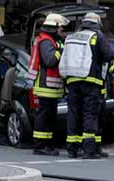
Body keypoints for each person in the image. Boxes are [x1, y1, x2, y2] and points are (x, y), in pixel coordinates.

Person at [60, 12, 113, 159]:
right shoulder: (97, 36)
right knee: (89, 114)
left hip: (72, 81)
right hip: (91, 81)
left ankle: (72, 149)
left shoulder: (70, 37)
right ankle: (89, 150)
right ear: (96, 23)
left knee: (73, 113)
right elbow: (108, 56)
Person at [26, 14, 69, 156]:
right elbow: (50, 60)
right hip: (46, 86)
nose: (62, 29)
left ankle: (47, 144)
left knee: (49, 117)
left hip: (51, 87)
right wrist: (61, 52)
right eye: (60, 27)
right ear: (54, 27)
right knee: (44, 116)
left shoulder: (50, 40)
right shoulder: (46, 41)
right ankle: (40, 146)